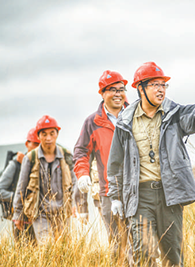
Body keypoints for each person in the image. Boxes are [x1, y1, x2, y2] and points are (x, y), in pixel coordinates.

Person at [107, 62, 195, 266]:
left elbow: (194, 117)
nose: (161, 89)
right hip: (139, 197)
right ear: (140, 88)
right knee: (144, 253)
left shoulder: (174, 114)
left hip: (170, 194)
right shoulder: (125, 121)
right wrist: (115, 197)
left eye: (163, 85)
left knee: (172, 255)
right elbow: (115, 162)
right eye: (155, 84)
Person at [74, 70, 128, 253]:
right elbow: (81, 151)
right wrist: (82, 174)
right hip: (108, 192)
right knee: (117, 245)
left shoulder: (135, 114)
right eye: (112, 89)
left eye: (121, 89)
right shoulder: (92, 122)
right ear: (102, 93)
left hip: (138, 188)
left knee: (141, 243)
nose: (118, 94)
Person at [12, 115, 78, 245]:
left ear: (57, 134)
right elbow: (21, 187)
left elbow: (75, 182)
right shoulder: (30, 158)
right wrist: (18, 215)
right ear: (38, 136)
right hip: (40, 214)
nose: (48, 138)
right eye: (44, 134)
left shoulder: (66, 155)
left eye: (52, 133)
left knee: (63, 250)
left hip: (62, 213)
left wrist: (75, 203)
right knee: (46, 247)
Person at [0, 127, 40, 244]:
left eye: (38, 144)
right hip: (21, 221)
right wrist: (21, 199)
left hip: (41, 221)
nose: (36, 147)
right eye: (34, 143)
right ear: (27, 144)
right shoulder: (15, 165)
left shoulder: (45, 165)